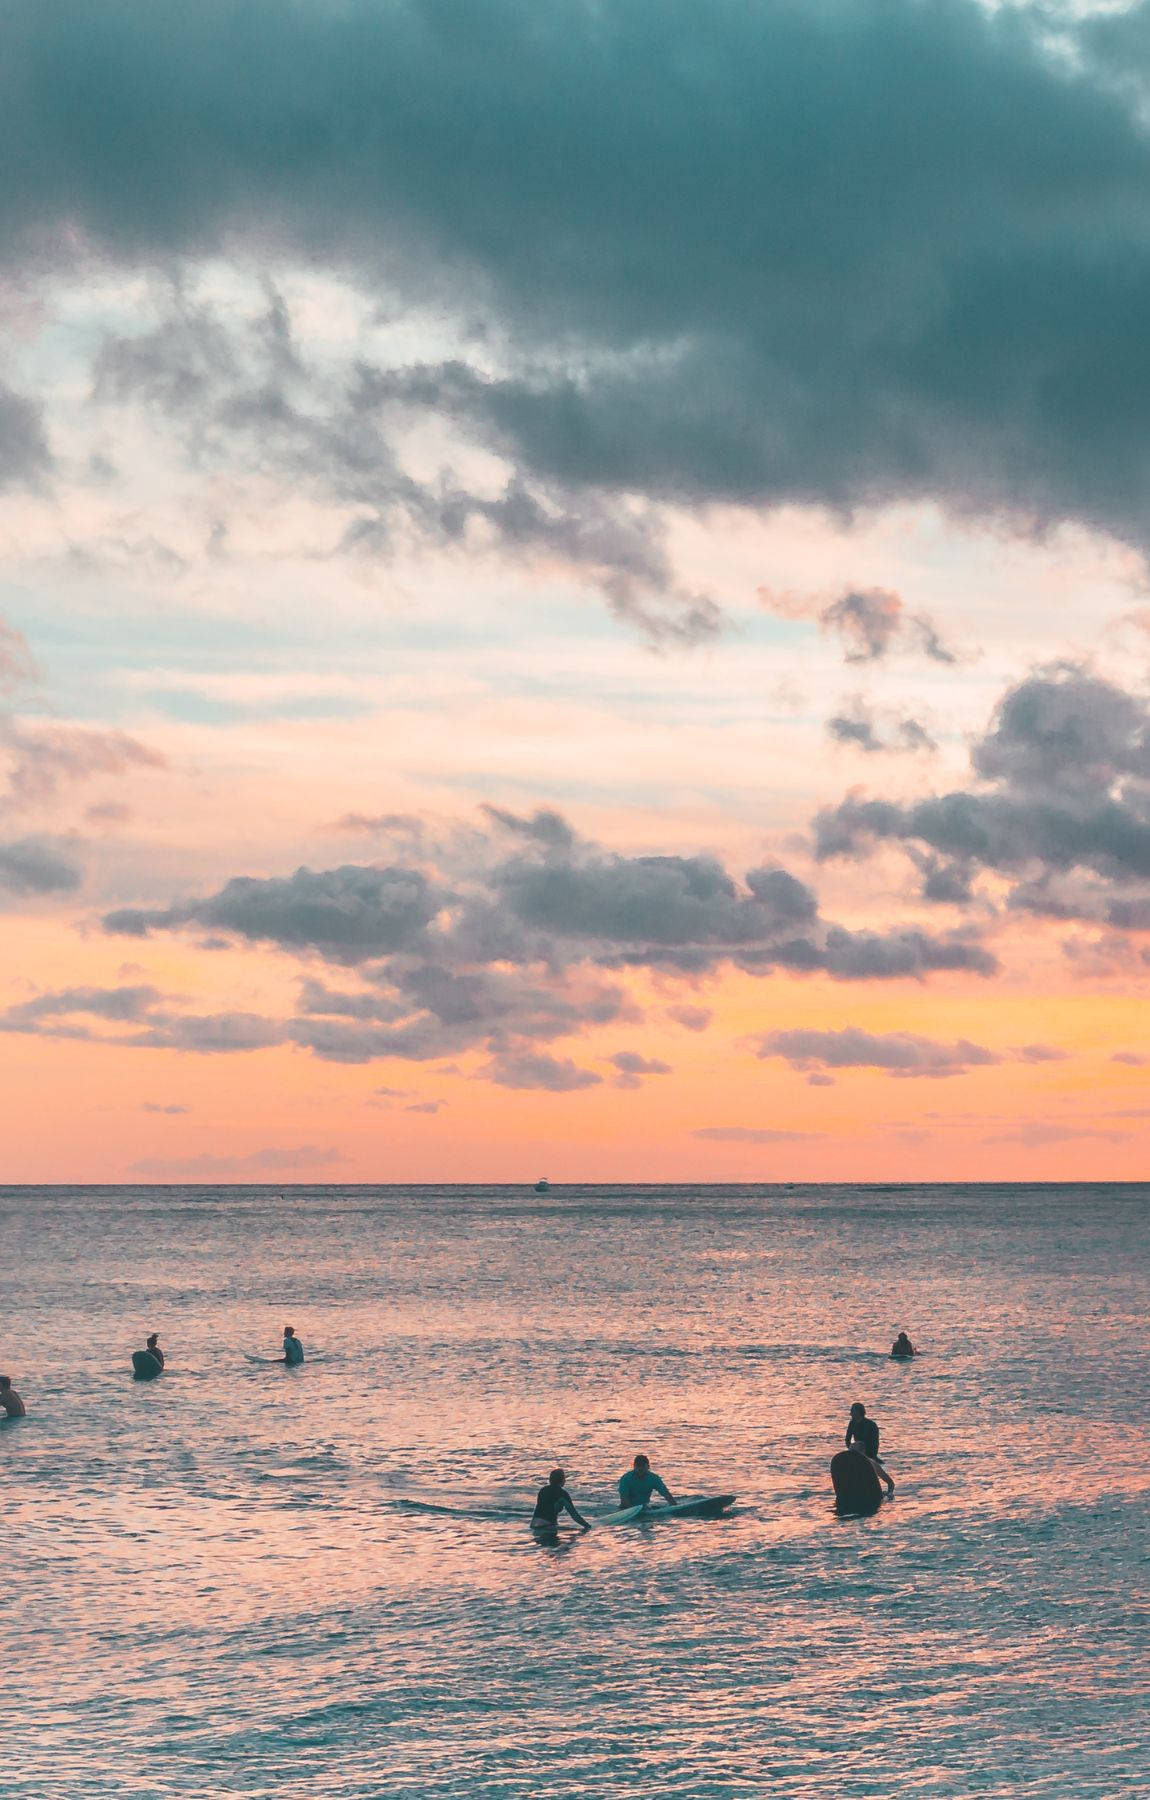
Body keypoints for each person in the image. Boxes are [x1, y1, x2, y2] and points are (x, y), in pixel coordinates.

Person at [845, 1402, 894, 1494]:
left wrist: (871, 1456)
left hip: (868, 1453)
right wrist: (851, 1451)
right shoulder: (852, 1423)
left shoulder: (871, 1425)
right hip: (857, 1452)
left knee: (873, 1470)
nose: (850, 1413)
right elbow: (847, 1440)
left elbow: (875, 1442)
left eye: (852, 1411)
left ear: (858, 1412)